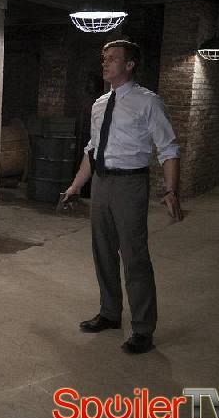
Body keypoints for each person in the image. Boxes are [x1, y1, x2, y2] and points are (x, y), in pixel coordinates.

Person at [63, 40, 183, 355]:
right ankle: (110, 312)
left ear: (129, 65)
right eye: (104, 58)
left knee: (134, 257)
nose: (105, 63)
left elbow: (168, 148)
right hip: (101, 183)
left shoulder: (148, 102)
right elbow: (92, 150)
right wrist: (76, 186)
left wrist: (171, 190)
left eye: (112, 59)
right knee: (102, 251)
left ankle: (143, 329)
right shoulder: (100, 104)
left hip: (130, 184)